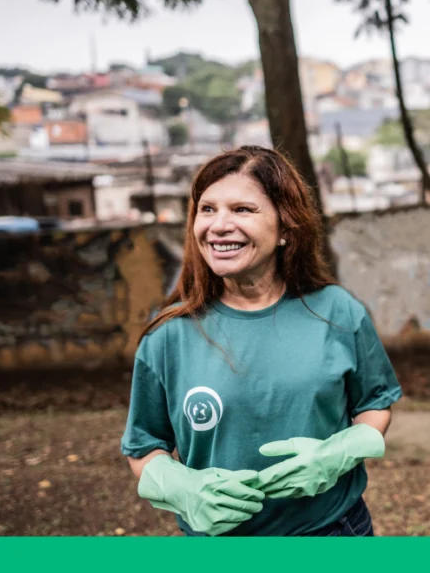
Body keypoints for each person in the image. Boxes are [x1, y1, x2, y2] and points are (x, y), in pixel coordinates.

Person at [120, 146, 402, 536]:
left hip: (331, 533)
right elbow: (144, 445)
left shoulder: (337, 312)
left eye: (242, 209)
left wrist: (338, 455)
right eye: (207, 209)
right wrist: (181, 487)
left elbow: (375, 404)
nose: (219, 225)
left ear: (286, 228)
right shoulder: (167, 335)